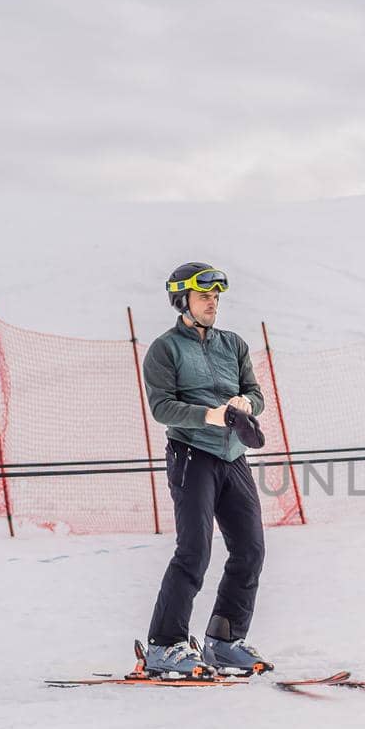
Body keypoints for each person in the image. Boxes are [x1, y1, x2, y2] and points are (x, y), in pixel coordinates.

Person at [140, 262, 272, 676]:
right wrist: (210, 416)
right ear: (183, 301)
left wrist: (249, 404)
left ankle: (226, 638)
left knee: (250, 549)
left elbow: (254, 391)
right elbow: (162, 407)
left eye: (215, 297)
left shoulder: (233, 344)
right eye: (204, 297)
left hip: (233, 458)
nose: (213, 303)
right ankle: (165, 644)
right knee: (194, 550)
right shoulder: (165, 349)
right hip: (191, 455)